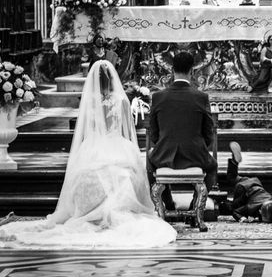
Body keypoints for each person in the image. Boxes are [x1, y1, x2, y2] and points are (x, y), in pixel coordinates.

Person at [0, 61, 176, 247]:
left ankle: (88, 212)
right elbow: (126, 131)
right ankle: (119, 210)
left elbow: (84, 131)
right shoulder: (122, 101)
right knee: (126, 172)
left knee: (86, 171)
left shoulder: (89, 101)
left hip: (93, 145)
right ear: (113, 79)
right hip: (119, 145)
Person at [147, 51, 217, 211]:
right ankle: (195, 205)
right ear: (192, 71)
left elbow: (153, 133)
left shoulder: (158, 96)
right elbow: (208, 132)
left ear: (172, 70)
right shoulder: (201, 97)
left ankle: (167, 204)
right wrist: (199, 146)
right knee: (212, 167)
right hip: (194, 155)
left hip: (164, 155)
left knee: (150, 165)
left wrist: (163, 145)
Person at [220, 142, 272, 223]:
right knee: (234, 207)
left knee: (232, 178)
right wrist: (243, 219)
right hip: (243, 189)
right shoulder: (251, 207)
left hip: (255, 183)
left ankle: (234, 162)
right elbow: (236, 212)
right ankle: (223, 204)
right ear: (260, 212)